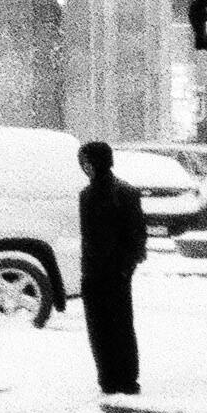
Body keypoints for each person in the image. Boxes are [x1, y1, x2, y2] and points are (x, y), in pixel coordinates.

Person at [74, 141, 144, 396]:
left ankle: (126, 378)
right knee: (99, 328)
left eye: (87, 162)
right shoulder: (86, 195)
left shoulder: (124, 193)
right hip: (93, 274)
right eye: (82, 163)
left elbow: (136, 237)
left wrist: (125, 268)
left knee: (120, 326)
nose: (85, 168)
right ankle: (107, 377)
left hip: (115, 273)